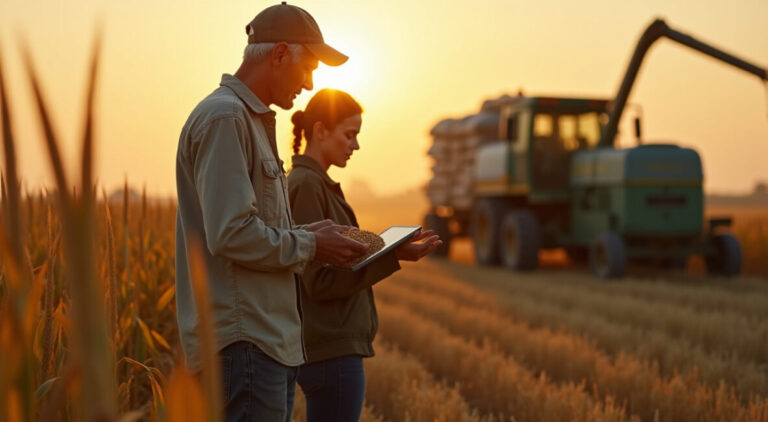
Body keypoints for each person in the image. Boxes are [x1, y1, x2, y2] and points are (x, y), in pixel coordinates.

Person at [174, 3, 369, 422]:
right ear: (280, 54)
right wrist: (312, 243)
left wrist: (307, 234)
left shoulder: (249, 121)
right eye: (309, 66)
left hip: (264, 345)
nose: (311, 82)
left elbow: (251, 228)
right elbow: (231, 234)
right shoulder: (225, 118)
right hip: (245, 345)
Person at [287, 89, 443, 422]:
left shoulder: (313, 184)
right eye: (349, 135)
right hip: (331, 352)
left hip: (329, 349)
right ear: (319, 131)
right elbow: (319, 280)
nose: (355, 145)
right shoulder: (307, 186)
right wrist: (390, 258)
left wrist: (392, 252)